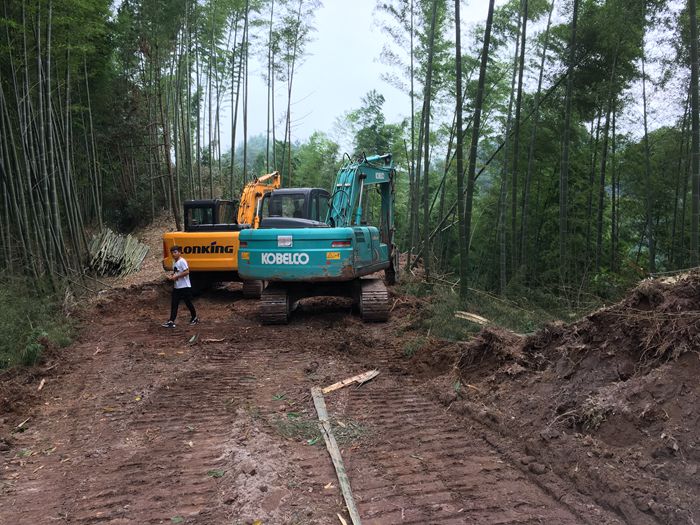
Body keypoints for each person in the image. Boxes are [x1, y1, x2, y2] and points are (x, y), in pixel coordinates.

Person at [162, 246, 198, 328]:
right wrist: (172, 276)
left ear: (179, 252)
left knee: (188, 302)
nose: (173, 254)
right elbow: (176, 272)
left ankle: (194, 317)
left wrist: (176, 276)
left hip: (184, 286)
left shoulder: (182, 261)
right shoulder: (174, 262)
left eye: (175, 252)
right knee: (174, 303)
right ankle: (171, 321)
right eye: (172, 253)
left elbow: (187, 271)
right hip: (177, 286)